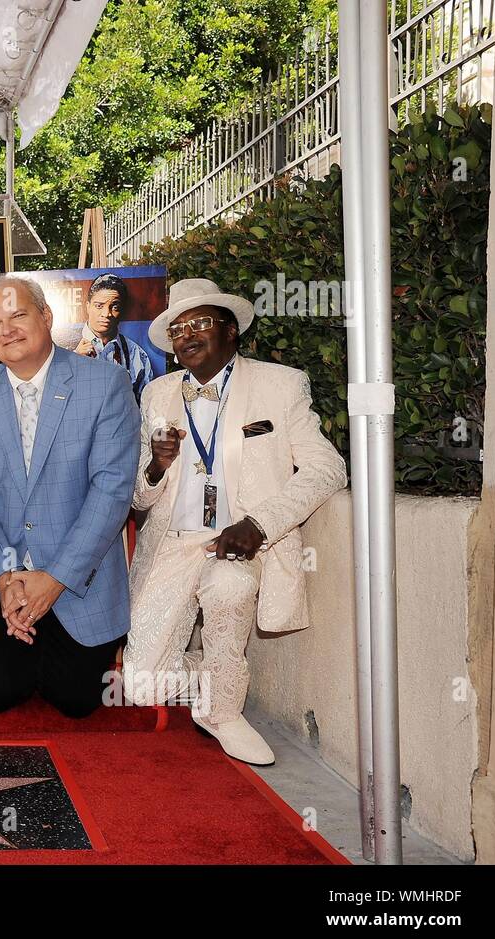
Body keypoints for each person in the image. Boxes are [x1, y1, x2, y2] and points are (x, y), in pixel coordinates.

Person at [123, 278, 346, 764]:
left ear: (231, 330)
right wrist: (157, 465)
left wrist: (259, 524)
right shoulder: (158, 394)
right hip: (174, 541)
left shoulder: (280, 384)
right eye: (177, 329)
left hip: (240, 540)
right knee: (141, 685)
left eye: (200, 323)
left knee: (228, 587)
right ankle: (216, 680)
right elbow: (140, 498)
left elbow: (328, 467)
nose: (187, 336)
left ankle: (223, 710)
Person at [0, 275, 140, 717]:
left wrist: (53, 580)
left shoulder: (106, 384)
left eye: (19, 315)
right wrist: (6, 579)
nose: (7, 330)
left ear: (47, 316)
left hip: (77, 576)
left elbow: (111, 491)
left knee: (76, 699)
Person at [71, 273, 155, 403]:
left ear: (122, 310)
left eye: (114, 307)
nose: (106, 314)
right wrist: (74, 363)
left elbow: (147, 406)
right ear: (87, 306)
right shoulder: (64, 349)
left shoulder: (136, 354)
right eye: (99, 306)